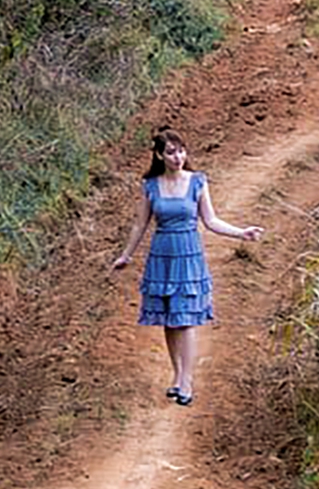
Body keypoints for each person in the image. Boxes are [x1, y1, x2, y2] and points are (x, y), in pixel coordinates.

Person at [110, 126, 261, 405]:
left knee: (186, 319)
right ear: (159, 155)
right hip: (161, 254)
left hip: (189, 254)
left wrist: (241, 232)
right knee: (169, 320)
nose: (178, 157)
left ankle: (187, 382)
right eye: (170, 152)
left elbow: (211, 221)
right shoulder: (151, 186)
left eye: (181, 150)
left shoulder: (197, 182)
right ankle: (177, 376)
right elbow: (139, 224)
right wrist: (126, 255)